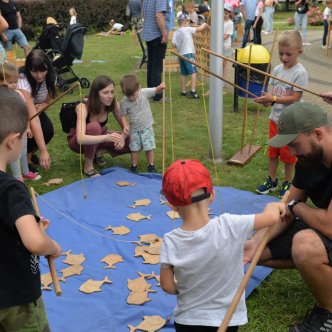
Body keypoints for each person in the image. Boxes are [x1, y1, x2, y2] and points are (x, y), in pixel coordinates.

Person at [160, 159, 286, 332]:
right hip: (226, 320)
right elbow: (271, 218)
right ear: (212, 196)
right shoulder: (230, 225)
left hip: (187, 320)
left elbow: (167, 286)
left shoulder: (170, 241)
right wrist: (273, 205)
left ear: (172, 205)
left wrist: (185, 287)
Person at [244, 102, 332, 332]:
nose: (291, 153)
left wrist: (297, 207)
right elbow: (286, 206)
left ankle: (328, 313)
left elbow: (328, 226)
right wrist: (255, 242)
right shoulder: (309, 159)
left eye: (294, 145)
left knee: (305, 245)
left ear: (318, 134)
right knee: (257, 251)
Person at [0, 86, 61, 331]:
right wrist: (52, 246)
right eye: (27, 135)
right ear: (12, 140)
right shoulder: (12, 189)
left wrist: (26, 224)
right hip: (17, 299)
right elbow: (35, 243)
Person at [254, 30, 308, 198]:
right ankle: (271, 179)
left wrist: (274, 99)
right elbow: (273, 93)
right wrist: (268, 101)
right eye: (281, 53)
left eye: (288, 54)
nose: (284, 58)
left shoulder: (300, 73)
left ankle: (288, 181)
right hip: (275, 119)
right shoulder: (277, 69)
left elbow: (295, 97)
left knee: (288, 155)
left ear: (300, 52)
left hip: (290, 122)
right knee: (273, 151)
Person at [67, 75, 130, 178]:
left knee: (135, 137)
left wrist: (122, 137)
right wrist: (106, 137)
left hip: (100, 138)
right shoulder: (83, 107)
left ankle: (99, 152)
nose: (110, 96)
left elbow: (126, 128)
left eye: (112, 92)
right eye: (105, 92)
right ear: (96, 94)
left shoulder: (114, 104)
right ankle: (88, 167)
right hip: (78, 143)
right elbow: (80, 139)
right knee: (94, 127)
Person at [17, 49, 56, 172]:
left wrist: (44, 105)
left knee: (48, 131)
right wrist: (44, 151)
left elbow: (48, 100)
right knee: (29, 133)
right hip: (19, 112)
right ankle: (23, 159)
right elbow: (33, 120)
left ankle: (29, 155)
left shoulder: (51, 76)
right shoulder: (23, 82)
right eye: (34, 71)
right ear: (28, 69)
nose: (39, 75)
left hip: (35, 109)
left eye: (43, 70)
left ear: (47, 67)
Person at [0, 63, 40, 181]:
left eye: (16, 82)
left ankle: (25, 172)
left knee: (22, 152)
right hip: (9, 133)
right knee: (14, 156)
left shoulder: (19, 94)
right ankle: (18, 178)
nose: (14, 85)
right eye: (10, 82)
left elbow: (24, 113)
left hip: (21, 130)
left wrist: (27, 127)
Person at [120, 74, 165, 173]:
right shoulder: (124, 102)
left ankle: (151, 165)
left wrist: (161, 87)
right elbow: (123, 115)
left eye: (133, 94)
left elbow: (156, 90)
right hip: (134, 129)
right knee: (134, 149)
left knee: (149, 147)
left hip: (147, 127)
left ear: (139, 88)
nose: (131, 98)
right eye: (128, 95)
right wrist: (125, 125)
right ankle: (134, 166)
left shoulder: (144, 93)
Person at [172, 13, 209, 99]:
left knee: (183, 73)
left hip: (181, 54)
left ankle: (183, 91)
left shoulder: (176, 32)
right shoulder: (186, 29)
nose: (189, 23)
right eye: (188, 21)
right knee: (193, 72)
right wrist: (204, 24)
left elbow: (173, 44)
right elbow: (199, 29)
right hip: (188, 53)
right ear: (184, 22)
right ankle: (193, 91)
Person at [142, 0, 171, 102]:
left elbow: (143, 14)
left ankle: (150, 93)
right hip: (157, 35)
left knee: (152, 65)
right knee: (157, 67)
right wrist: (164, 34)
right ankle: (157, 96)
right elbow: (159, 15)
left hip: (149, 34)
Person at [223, 4, 234, 86]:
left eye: (226, 13)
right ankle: (220, 78)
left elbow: (226, 36)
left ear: (229, 13)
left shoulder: (230, 23)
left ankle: (224, 80)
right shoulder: (220, 21)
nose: (224, 14)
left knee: (225, 64)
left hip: (226, 46)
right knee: (219, 63)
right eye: (223, 12)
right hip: (219, 45)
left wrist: (216, 40)